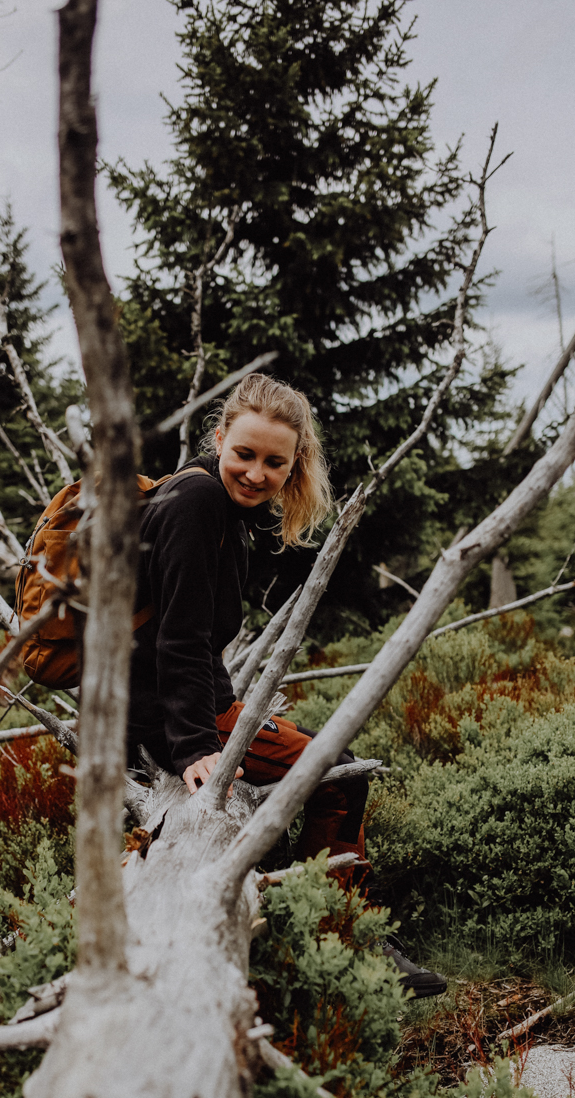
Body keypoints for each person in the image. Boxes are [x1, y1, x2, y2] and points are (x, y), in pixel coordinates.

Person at [127, 372, 445, 996]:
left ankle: (318, 916)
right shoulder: (196, 504)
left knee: (328, 760)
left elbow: (179, 629)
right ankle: (346, 934)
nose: (256, 473)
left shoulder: (210, 503)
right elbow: (179, 639)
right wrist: (195, 748)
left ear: (295, 462)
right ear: (219, 439)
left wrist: (227, 713)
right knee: (335, 772)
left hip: (174, 700)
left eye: (275, 462)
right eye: (244, 454)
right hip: (160, 712)